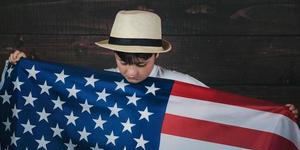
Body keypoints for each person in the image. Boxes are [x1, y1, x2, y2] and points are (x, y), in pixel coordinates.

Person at [7, 10, 298, 118]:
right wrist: (26, 69)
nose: (131, 72)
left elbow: (225, 110)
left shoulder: (182, 85)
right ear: (113, 55)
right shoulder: (99, 83)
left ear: (158, 55)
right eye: (123, 61)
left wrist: (276, 116)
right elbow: (58, 94)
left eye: (142, 62)